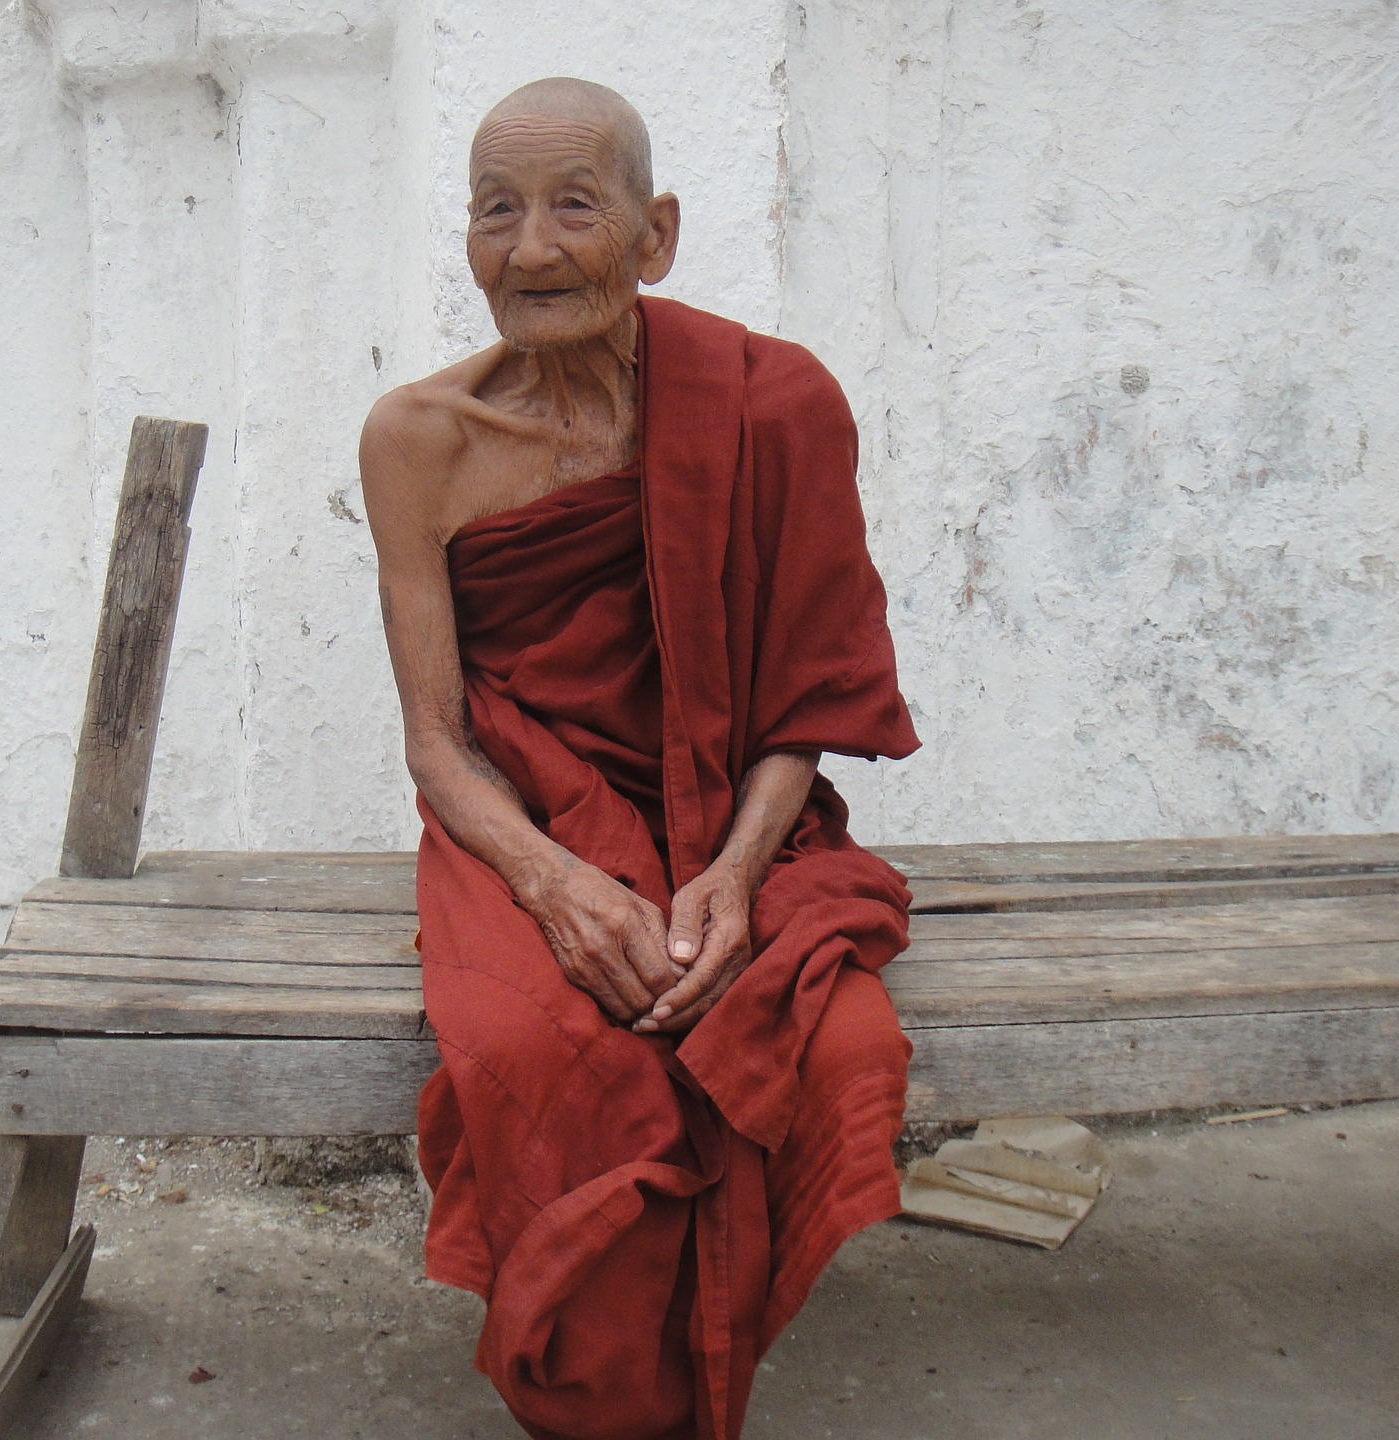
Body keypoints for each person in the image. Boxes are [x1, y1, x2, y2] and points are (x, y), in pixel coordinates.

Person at [359, 76, 920, 1440]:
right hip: (525, 818)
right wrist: (553, 885)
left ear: (655, 234)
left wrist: (734, 872)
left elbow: (803, 694)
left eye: (573, 207)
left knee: (836, 1045)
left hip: (742, 822)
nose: (532, 249)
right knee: (535, 1052)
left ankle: (700, 1380)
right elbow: (437, 740)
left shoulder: (771, 401)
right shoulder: (417, 440)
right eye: (497, 212)